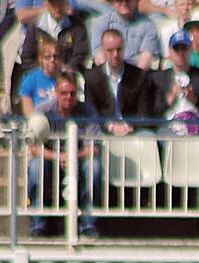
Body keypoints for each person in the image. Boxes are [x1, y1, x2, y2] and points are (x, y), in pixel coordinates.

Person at [26, 71, 103, 238]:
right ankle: (38, 223)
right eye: (64, 93)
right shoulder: (43, 111)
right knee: (35, 166)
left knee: (94, 167)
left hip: (79, 159)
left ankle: (88, 224)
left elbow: (95, 147)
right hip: (50, 159)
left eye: (72, 93)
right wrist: (57, 157)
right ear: (55, 92)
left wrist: (74, 157)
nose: (68, 97)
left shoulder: (88, 111)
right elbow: (34, 147)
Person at [84, 28, 154, 132]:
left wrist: (129, 127)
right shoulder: (91, 77)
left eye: (119, 49)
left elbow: (144, 111)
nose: (115, 54)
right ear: (103, 50)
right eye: (110, 50)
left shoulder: (139, 76)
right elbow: (91, 112)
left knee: (148, 137)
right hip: (103, 130)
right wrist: (111, 127)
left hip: (133, 129)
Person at [149, 28, 199, 126]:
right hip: (167, 130)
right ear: (170, 51)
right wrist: (169, 99)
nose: (181, 53)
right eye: (177, 49)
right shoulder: (158, 78)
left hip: (196, 130)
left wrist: (195, 100)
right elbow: (152, 113)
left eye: (184, 48)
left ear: (190, 50)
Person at [89, 0, 162, 69]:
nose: (124, 3)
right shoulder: (100, 23)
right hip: (107, 73)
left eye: (128, 0)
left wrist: (134, 79)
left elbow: (146, 57)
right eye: (119, 0)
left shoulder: (148, 25)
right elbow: (98, 55)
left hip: (136, 74)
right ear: (113, 2)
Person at [18, 35, 62, 114]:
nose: (52, 60)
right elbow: (29, 115)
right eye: (47, 57)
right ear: (40, 59)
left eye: (56, 56)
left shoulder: (68, 78)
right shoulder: (30, 80)